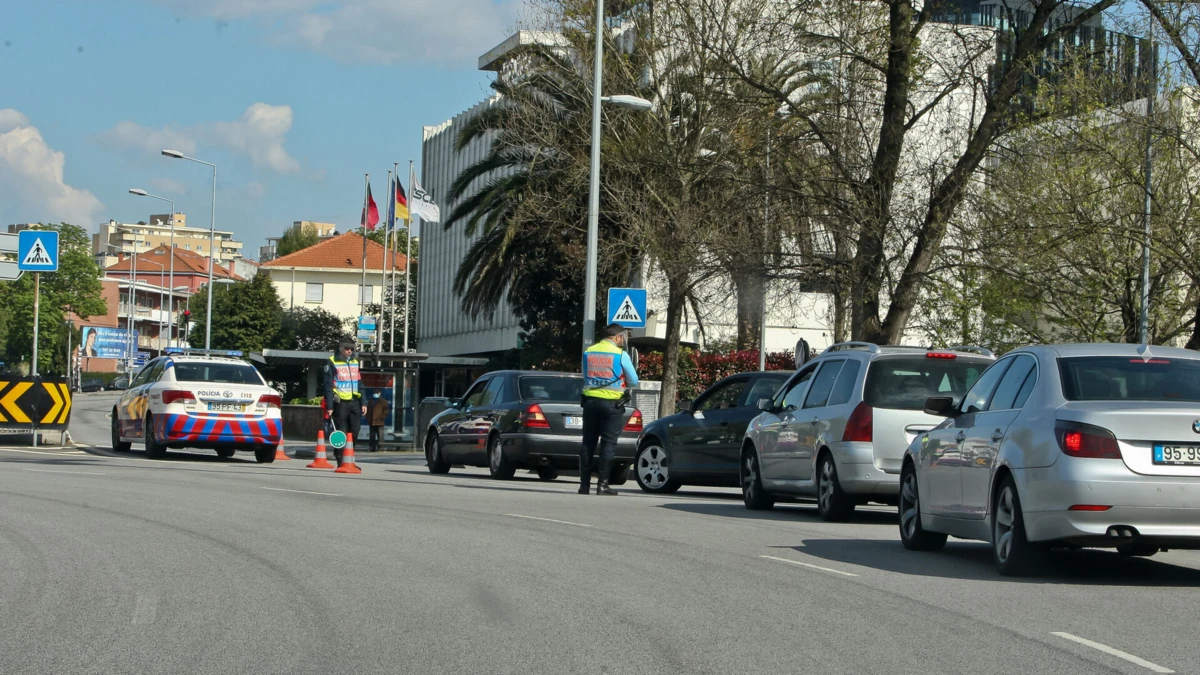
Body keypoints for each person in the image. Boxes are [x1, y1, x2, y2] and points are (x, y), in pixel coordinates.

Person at [579, 323, 639, 495]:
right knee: (608, 444)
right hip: (612, 405)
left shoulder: (589, 351)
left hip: (590, 403)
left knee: (587, 443)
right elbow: (633, 380)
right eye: (623, 338)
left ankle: (584, 485)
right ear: (618, 337)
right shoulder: (621, 354)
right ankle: (602, 485)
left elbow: (585, 375)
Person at [324, 341, 365, 466]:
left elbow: (359, 383)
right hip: (340, 402)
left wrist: (364, 402)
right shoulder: (332, 361)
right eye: (347, 349)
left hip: (354, 401)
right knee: (341, 431)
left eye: (351, 349)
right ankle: (340, 457)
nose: (349, 352)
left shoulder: (354, 362)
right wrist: (330, 406)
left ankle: (349, 457)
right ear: (341, 348)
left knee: (355, 430)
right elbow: (328, 385)